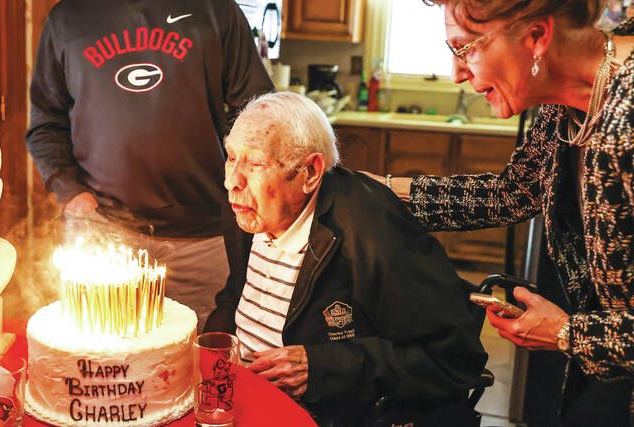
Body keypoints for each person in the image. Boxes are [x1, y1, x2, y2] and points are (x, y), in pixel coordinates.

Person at [366, 1, 634, 423]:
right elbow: (512, 192)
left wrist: (569, 333)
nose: (456, 73)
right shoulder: (563, 102)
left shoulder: (629, 116)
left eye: (466, 49)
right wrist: (374, 193)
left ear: (537, 38)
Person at [205, 92, 487, 425]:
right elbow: (235, 294)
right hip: (246, 402)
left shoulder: (371, 229)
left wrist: (324, 368)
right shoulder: (248, 207)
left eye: (255, 164)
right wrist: (209, 355)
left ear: (310, 172)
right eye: (231, 157)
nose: (231, 181)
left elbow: (454, 360)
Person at [25, 0, 274, 330]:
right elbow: (45, 123)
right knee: (105, 361)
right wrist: (70, 192)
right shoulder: (67, 17)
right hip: (104, 231)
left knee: (198, 364)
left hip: (203, 238)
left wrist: (238, 177)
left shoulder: (217, 10)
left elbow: (258, 110)